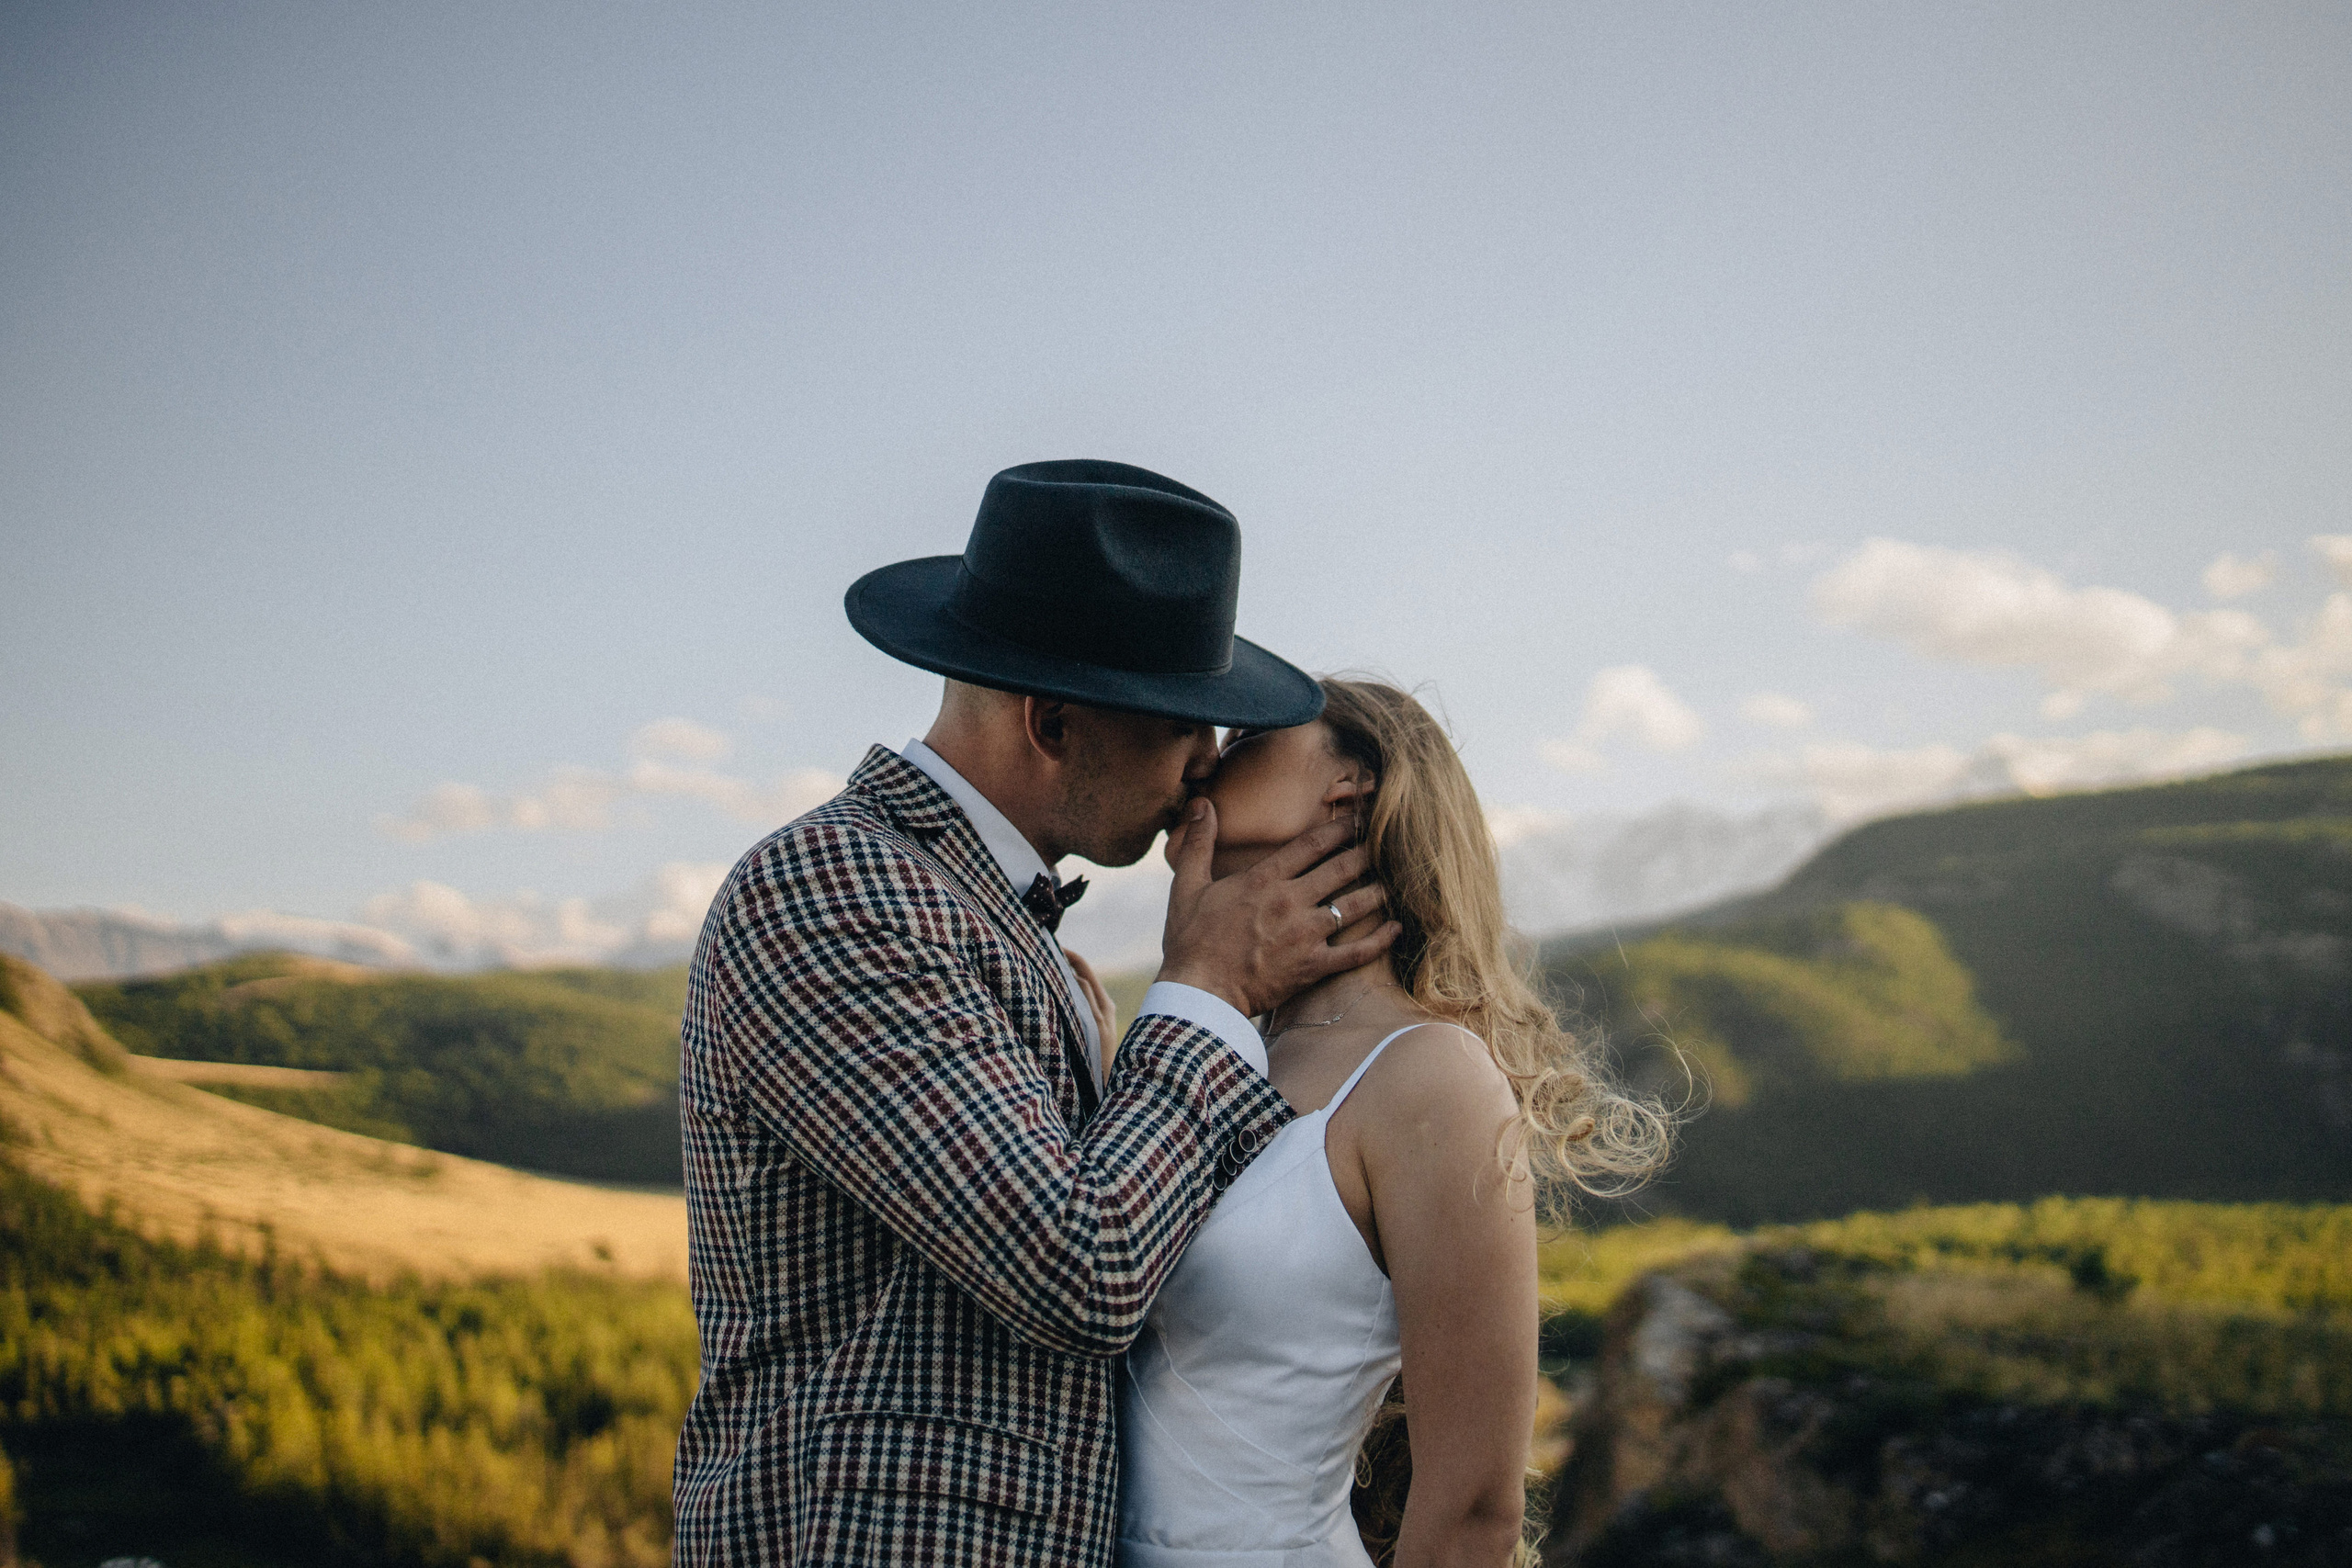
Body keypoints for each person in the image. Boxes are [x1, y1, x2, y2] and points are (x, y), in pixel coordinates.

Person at [671, 459, 1400, 1566]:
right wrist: (1207, 988)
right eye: (1181, 726)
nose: (1207, 765)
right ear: (1051, 720)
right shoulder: (834, 889)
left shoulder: (1029, 943)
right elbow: (1082, 1267)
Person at [1117, 678, 1671, 1568]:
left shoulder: (1429, 1079)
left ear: (1348, 788)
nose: (1207, 754)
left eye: (1250, 735)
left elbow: (1472, 1512)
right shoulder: (1210, 1051)